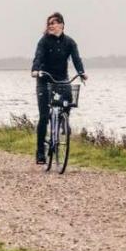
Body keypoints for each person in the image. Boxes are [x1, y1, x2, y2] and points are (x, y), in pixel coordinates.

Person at [30, 12, 87, 164]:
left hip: (61, 79)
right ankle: (40, 152)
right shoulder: (44, 41)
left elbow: (76, 59)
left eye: (54, 23)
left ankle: (63, 120)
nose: (51, 26)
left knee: (69, 99)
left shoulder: (69, 42)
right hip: (44, 79)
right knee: (43, 116)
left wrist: (81, 73)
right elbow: (38, 57)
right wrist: (35, 70)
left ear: (62, 25)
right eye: (49, 23)